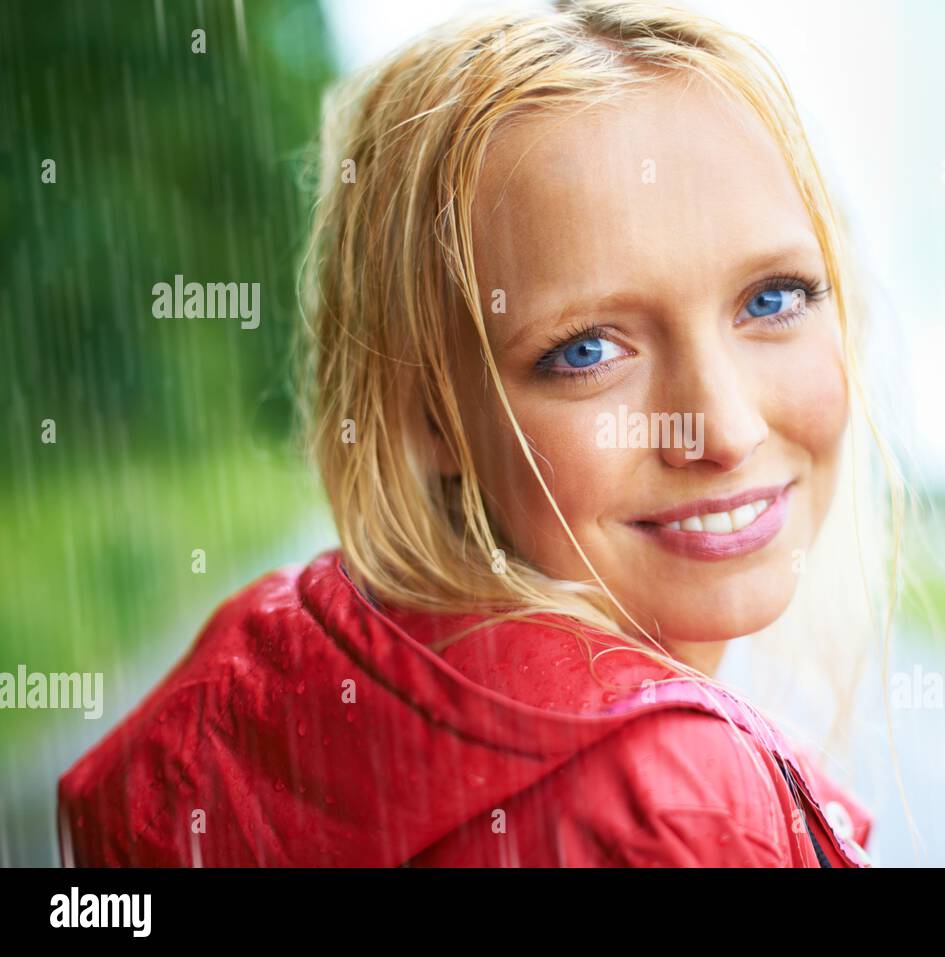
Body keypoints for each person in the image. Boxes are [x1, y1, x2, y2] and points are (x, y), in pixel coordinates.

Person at [58, 0, 901, 867]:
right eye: (588, 350)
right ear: (428, 419)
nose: (723, 428)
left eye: (773, 299)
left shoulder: (247, 700)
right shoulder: (673, 802)